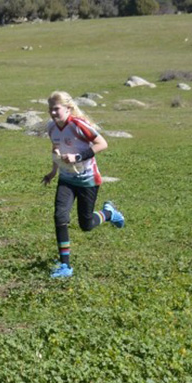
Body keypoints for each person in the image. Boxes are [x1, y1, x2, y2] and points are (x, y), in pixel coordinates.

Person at [41, 90, 125, 278]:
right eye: (50, 110)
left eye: (56, 109)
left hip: (88, 180)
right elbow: (56, 148)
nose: (53, 113)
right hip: (66, 180)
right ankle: (65, 266)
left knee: (86, 224)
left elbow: (102, 143)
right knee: (60, 217)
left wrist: (77, 157)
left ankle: (109, 213)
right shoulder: (52, 127)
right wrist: (53, 171)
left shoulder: (78, 125)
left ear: (68, 108)